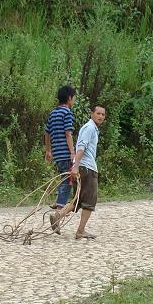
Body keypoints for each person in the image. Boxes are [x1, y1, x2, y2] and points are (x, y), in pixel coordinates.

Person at [50, 104, 106, 239]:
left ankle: (58, 215)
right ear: (92, 114)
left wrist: (76, 165)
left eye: (103, 115)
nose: (100, 116)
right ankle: (81, 230)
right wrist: (75, 166)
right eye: (98, 113)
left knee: (78, 200)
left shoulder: (91, 128)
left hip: (83, 167)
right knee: (89, 201)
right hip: (87, 168)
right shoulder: (90, 128)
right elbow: (81, 147)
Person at [44, 85, 76, 212]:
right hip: (65, 153)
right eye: (73, 98)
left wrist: (48, 150)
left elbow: (47, 133)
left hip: (57, 154)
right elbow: (68, 133)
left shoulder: (53, 113)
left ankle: (59, 199)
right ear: (69, 98)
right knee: (67, 181)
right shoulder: (67, 112)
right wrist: (72, 152)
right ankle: (59, 208)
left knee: (63, 177)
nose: (73, 101)